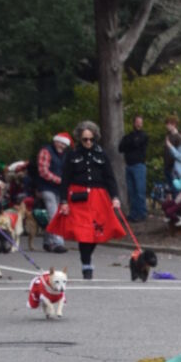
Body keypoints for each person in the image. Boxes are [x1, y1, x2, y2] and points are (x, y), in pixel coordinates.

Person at [50, 119, 125, 278]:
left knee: (96, 232)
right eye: (85, 139)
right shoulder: (72, 154)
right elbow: (65, 179)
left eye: (91, 139)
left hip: (99, 197)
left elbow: (110, 178)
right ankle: (86, 265)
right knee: (83, 232)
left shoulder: (101, 154)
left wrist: (115, 197)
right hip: (78, 197)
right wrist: (63, 201)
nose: (88, 142)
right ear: (79, 138)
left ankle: (87, 257)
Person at [34, 131, 71, 252]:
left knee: (56, 213)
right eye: (60, 143)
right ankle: (58, 243)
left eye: (64, 144)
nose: (62, 146)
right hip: (46, 187)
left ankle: (48, 241)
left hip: (60, 189)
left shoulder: (66, 155)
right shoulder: (46, 151)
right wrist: (59, 180)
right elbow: (43, 171)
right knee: (54, 214)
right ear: (55, 141)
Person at [117, 114, 149, 221]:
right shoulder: (128, 136)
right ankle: (134, 213)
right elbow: (121, 147)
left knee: (140, 190)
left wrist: (130, 143)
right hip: (129, 165)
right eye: (137, 122)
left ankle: (142, 213)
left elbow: (137, 143)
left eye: (140, 122)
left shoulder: (144, 135)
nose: (139, 124)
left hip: (139, 165)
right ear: (134, 123)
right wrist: (130, 142)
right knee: (131, 191)